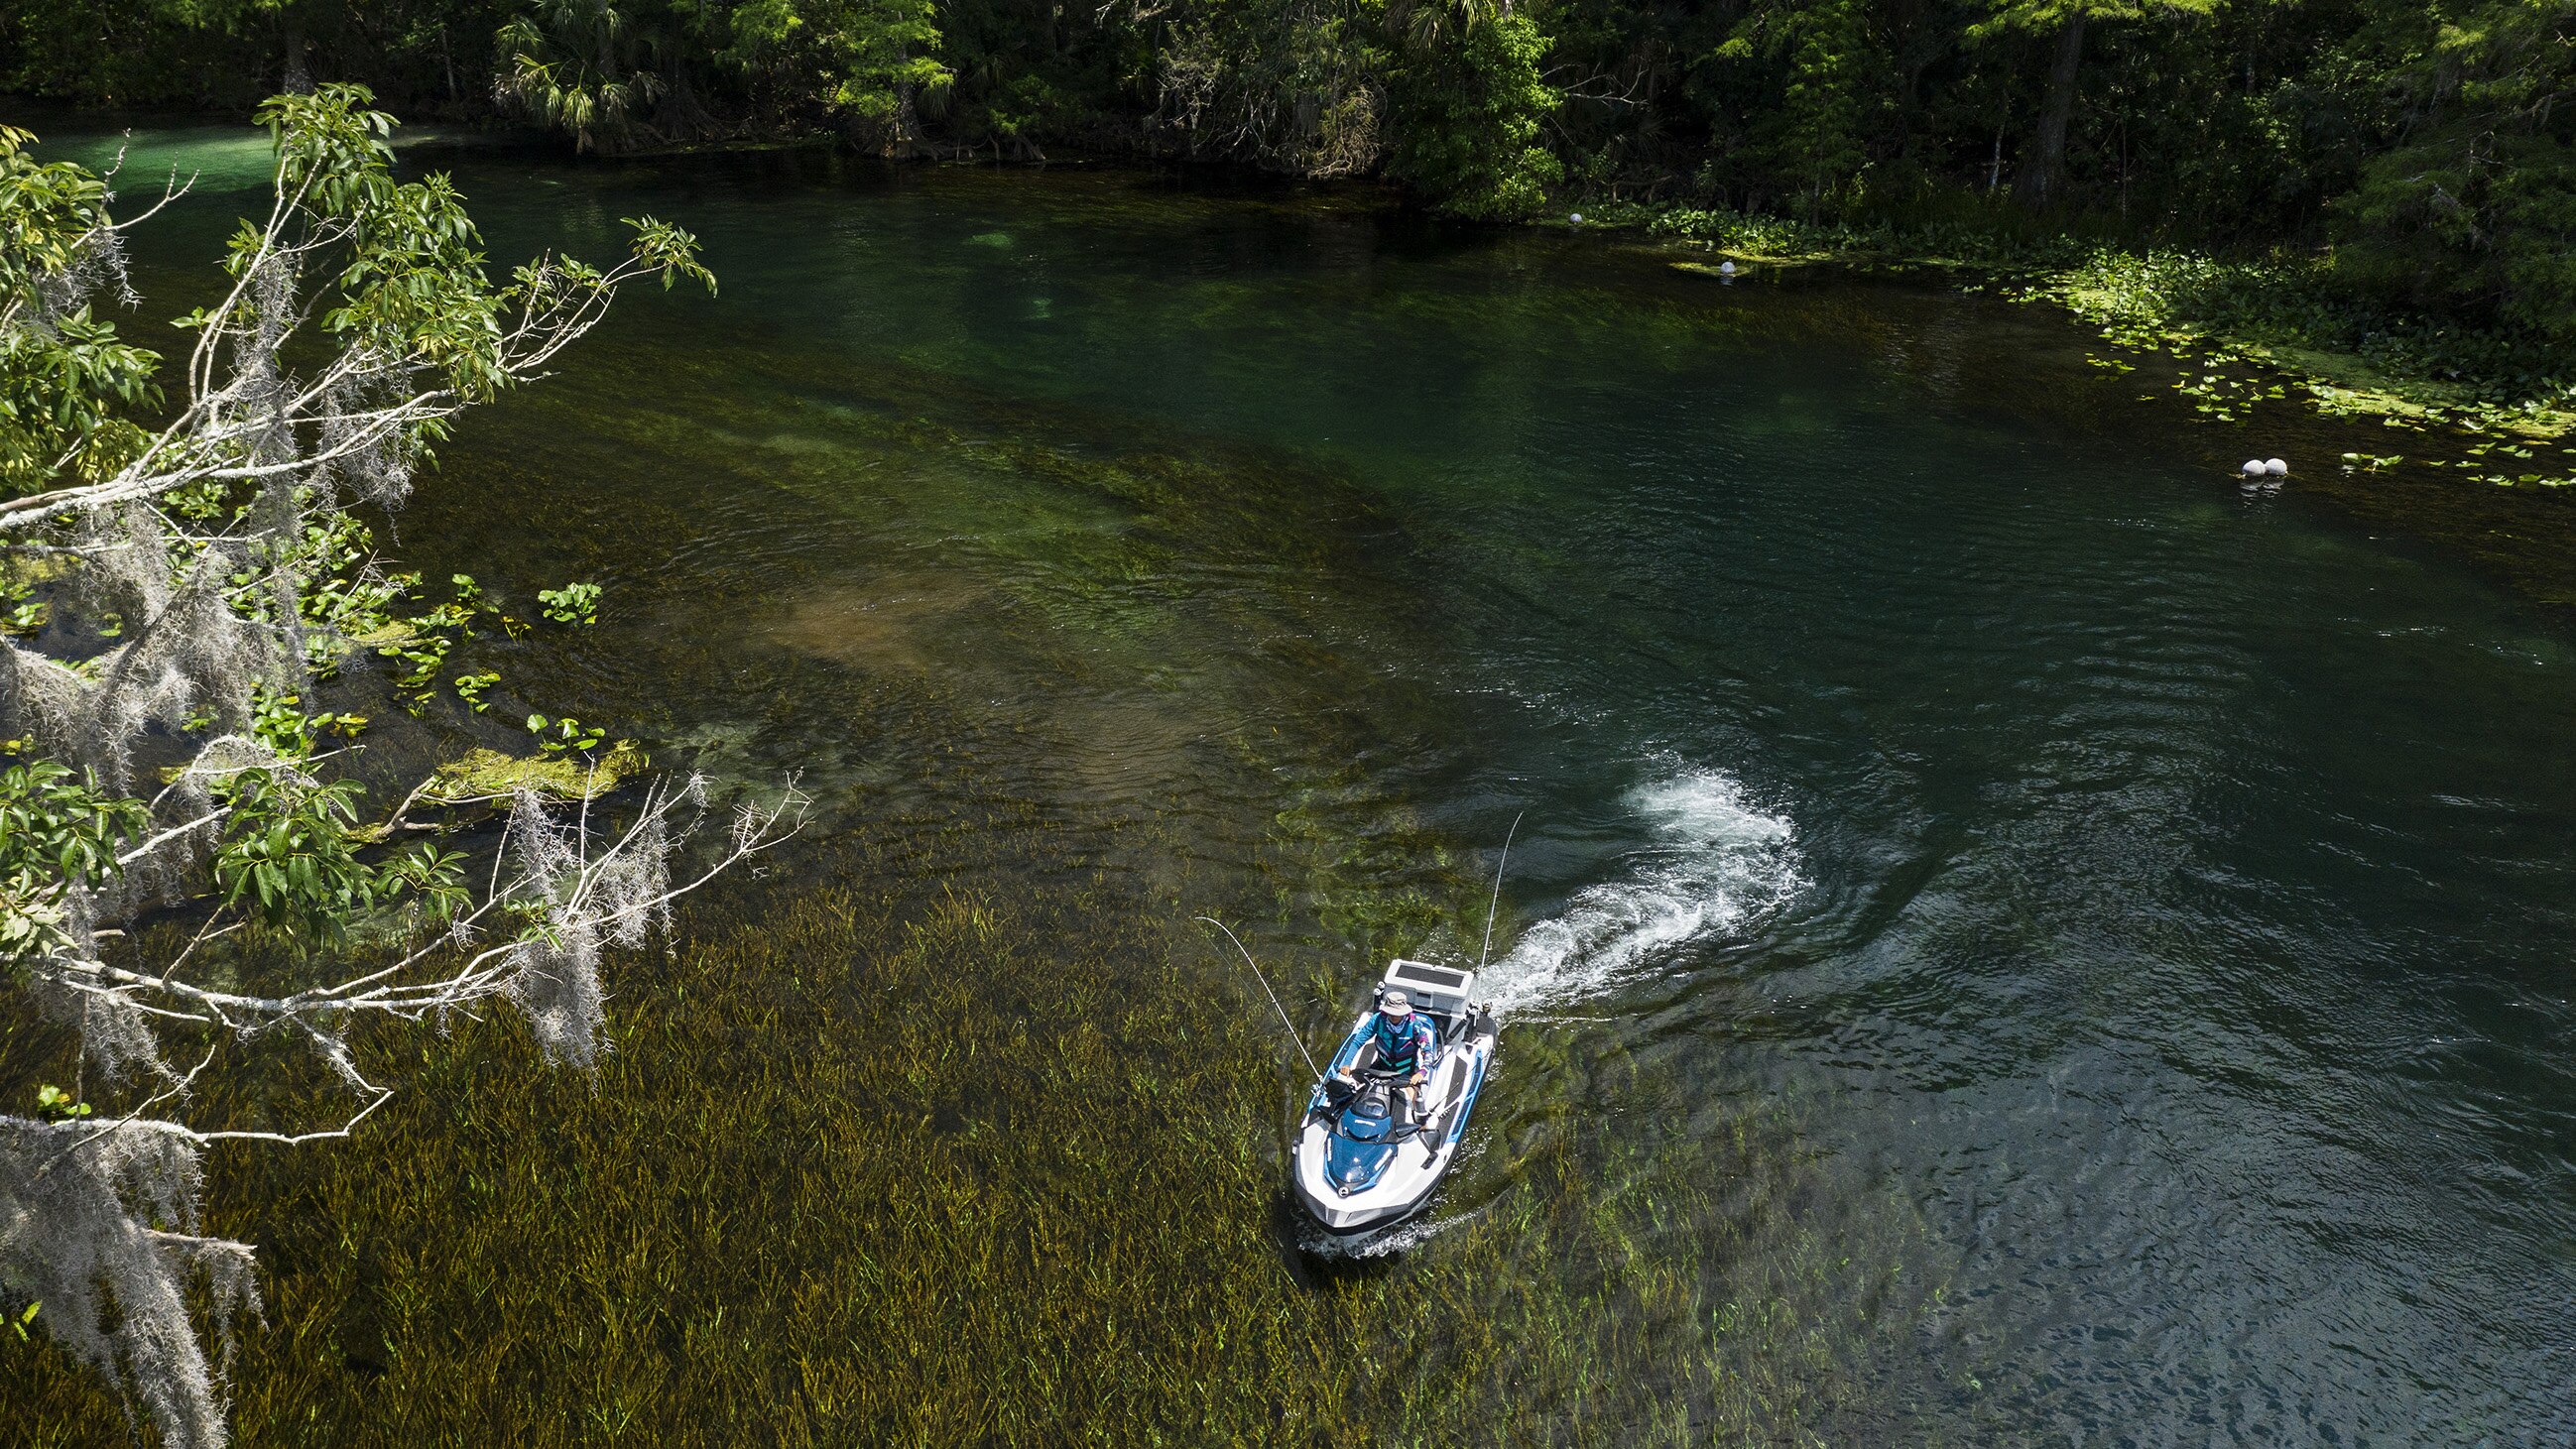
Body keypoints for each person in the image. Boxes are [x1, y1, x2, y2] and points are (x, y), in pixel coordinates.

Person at [1338, 988, 1438, 1121]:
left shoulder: (1415, 1026)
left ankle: (1421, 1128)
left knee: (1414, 1101)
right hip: (1381, 1067)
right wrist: (1347, 1063)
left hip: (1406, 1072)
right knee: (1357, 1092)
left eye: (1397, 1014)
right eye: (1391, 1013)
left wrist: (1421, 1073)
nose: (1393, 1017)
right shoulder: (1377, 1020)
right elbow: (1357, 1041)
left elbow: (1428, 1052)